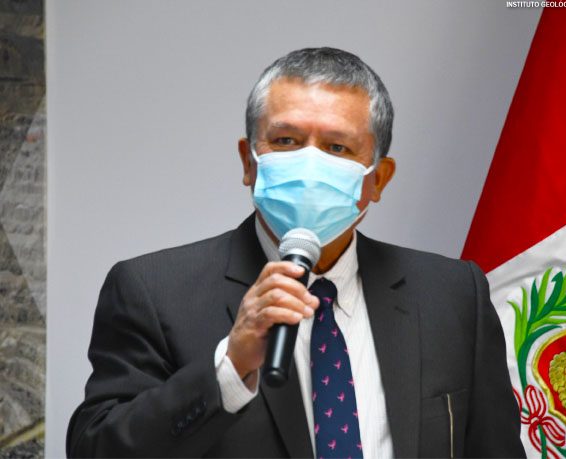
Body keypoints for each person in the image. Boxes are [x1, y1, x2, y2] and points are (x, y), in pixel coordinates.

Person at [67, 47, 525, 458]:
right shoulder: (153, 291)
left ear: (378, 179)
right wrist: (230, 367)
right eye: (285, 141)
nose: (310, 165)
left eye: (337, 147)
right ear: (249, 162)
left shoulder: (451, 294)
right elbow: (96, 449)